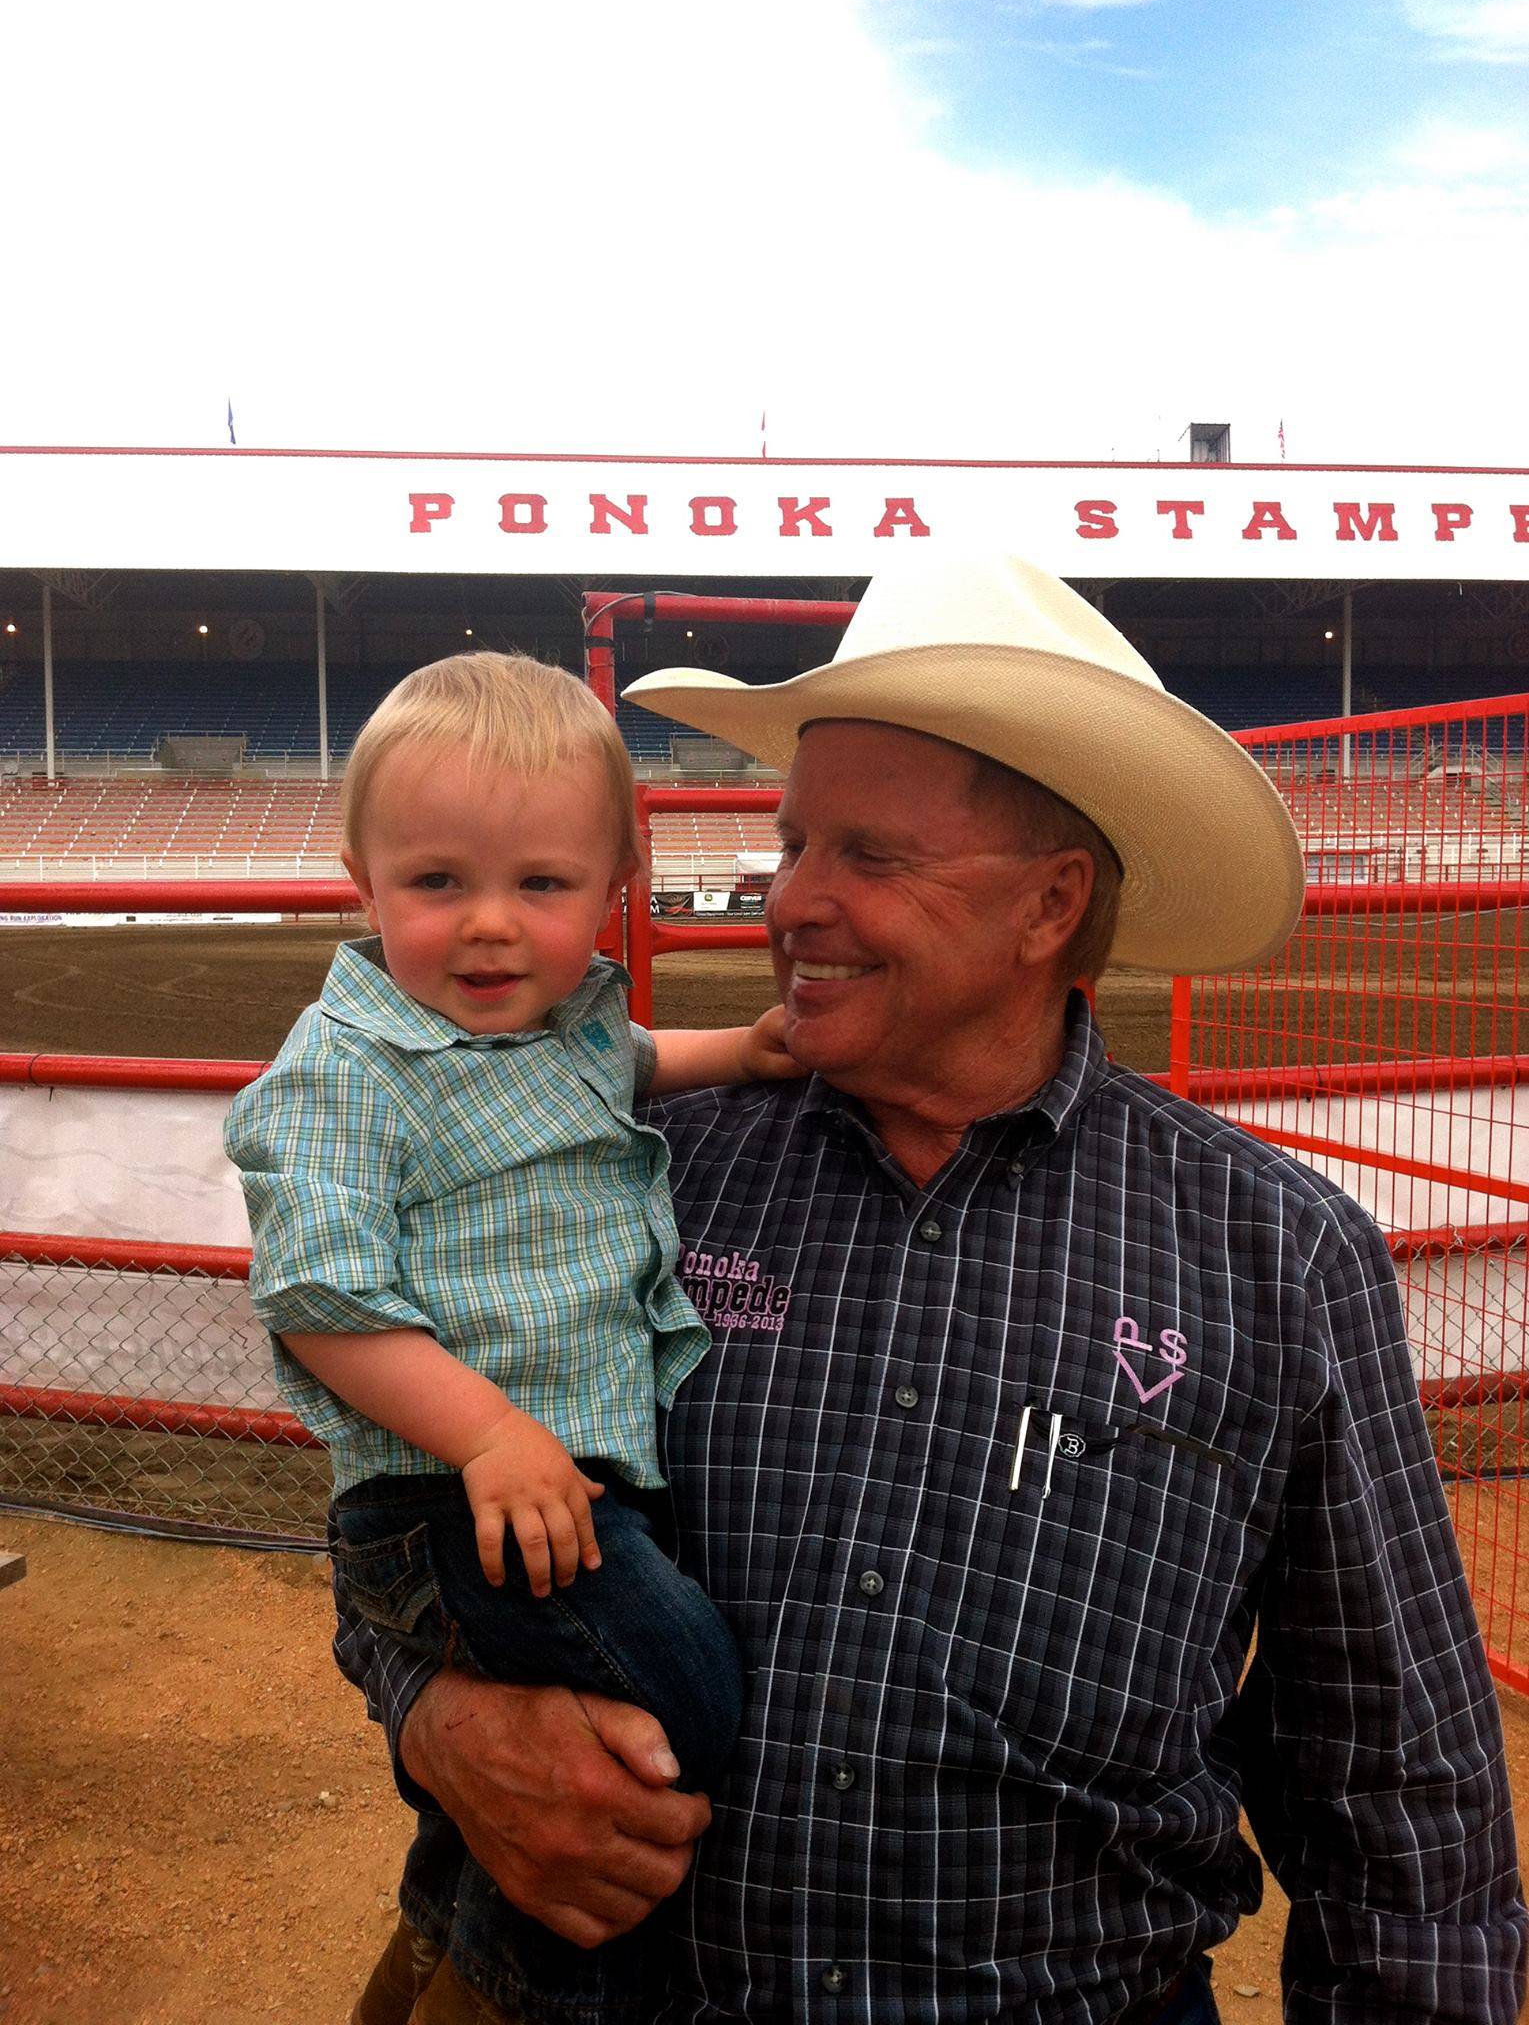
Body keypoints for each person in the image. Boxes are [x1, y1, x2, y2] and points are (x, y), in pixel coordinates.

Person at [335, 561, 1528, 2024]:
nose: (792, 901)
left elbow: (1393, 1787)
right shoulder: (631, 1166)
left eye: (870, 856)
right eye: (793, 844)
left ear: (1048, 906)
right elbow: (394, 1507)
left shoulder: (1274, 1254)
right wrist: (436, 1718)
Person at [225, 651, 800, 2023]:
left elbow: (635, 1060)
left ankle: (445, 1947)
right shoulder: (342, 1074)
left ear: (607, 892)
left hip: (541, 1484)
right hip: (449, 1496)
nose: (490, 928)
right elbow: (321, 1303)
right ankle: (537, 1980)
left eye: (539, 887)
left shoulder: (563, 1026)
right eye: (438, 885)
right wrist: (488, 1434)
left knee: (592, 1717)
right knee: (679, 1692)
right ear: (363, 879)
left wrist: (750, 1049)